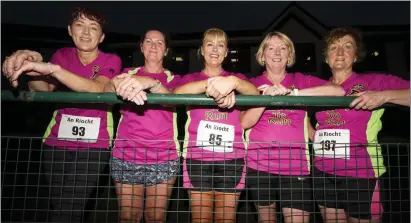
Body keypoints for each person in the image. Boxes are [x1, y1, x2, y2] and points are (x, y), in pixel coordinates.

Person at [2, 7, 121, 222]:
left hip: (94, 145)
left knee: (70, 207)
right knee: (60, 204)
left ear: (102, 36)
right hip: (56, 142)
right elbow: (42, 89)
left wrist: (52, 69)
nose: (86, 32)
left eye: (93, 27)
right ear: (69, 30)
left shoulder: (111, 60)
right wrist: (29, 66)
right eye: (79, 25)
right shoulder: (61, 56)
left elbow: (98, 89)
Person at [240, 31, 345, 223]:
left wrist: (293, 93)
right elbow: (244, 123)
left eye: (283, 48)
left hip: (295, 167)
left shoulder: (301, 80)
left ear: (290, 55)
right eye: (271, 48)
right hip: (259, 165)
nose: (277, 53)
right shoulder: (252, 84)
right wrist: (264, 98)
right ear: (262, 56)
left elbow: (338, 91)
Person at [308, 27, 410, 223]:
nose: (339, 52)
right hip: (322, 172)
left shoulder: (375, 81)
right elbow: (302, 113)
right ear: (326, 57)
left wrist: (383, 95)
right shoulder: (320, 88)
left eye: (347, 46)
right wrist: (311, 131)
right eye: (334, 47)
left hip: (361, 172)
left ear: (356, 55)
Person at [173, 28, 260, 223]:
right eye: (209, 44)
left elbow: (255, 93)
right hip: (197, 158)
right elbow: (175, 95)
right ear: (202, 50)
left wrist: (233, 82)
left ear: (226, 52)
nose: (215, 49)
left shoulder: (236, 80)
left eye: (220, 45)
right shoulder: (190, 79)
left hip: (232, 159)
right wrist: (211, 84)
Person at [104, 29, 180, 223]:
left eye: (159, 42)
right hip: (126, 155)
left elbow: (173, 100)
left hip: (163, 157)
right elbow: (105, 93)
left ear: (166, 51)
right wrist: (115, 84)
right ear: (141, 47)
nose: (153, 46)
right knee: (129, 217)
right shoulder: (127, 74)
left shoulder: (175, 79)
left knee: (156, 218)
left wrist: (152, 83)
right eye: (148, 41)